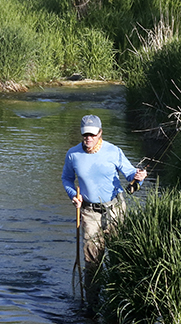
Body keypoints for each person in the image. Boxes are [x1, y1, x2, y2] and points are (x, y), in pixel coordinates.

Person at [61, 114, 146, 293]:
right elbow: (67, 179)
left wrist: (138, 177)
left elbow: (131, 175)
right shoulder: (73, 154)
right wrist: (72, 195)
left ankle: (117, 296)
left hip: (115, 209)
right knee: (92, 260)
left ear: (100, 133)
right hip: (89, 212)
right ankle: (92, 301)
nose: (88, 138)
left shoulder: (113, 151)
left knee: (118, 255)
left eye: (92, 134)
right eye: (85, 134)